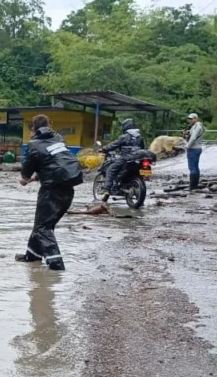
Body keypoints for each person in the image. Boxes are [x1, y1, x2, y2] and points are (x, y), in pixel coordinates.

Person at [15, 115, 84, 271]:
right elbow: (55, 163)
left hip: (52, 191)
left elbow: (26, 173)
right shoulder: (58, 138)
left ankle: (56, 265)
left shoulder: (33, 145)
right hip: (68, 188)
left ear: (33, 130)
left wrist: (25, 179)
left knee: (42, 228)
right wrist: (37, 177)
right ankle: (32, 256)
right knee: (41, 225)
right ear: (49, 125)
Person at [100, 117, 145, 201]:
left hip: (125, 159)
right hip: (139, 160)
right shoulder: (140, 137)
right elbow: (142, 148)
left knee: (111, 169)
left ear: (125, 127)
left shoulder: (124, 137)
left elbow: (113, 145)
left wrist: (104, 149)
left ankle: (106, 189)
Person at [183, 113, 206, 191]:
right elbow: (192, 135)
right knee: (196, 167)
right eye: (189, 119)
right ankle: (195, 185)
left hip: (194, 149)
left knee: (192, 168)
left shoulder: (197, 126)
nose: (190, 120)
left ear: (196, 118)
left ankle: (192, 186)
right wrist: (187, 133)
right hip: (197, 148)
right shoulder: (196, 126)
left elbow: (193, 138)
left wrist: (187, 146)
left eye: (191, 119)